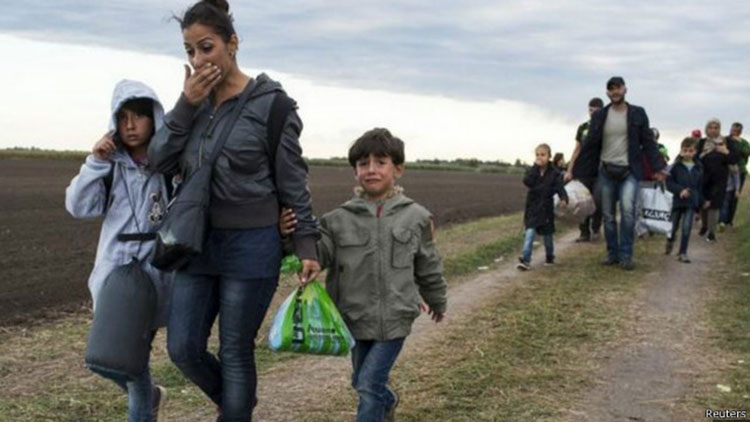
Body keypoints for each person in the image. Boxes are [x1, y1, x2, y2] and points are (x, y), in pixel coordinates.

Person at [147, 1, 320, 420]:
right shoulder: (192, 105)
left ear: (233, 43)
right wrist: (185, 104)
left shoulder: (273, 106)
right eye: (190, 51)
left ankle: (235, 410)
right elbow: (158, 159)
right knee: (183, 347)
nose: (198, 60)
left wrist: (306, 243)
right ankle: (238, 405)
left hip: (252, 245)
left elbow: (292, 180)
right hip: (195, 243)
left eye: (206, 47)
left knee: (236, 350)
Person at [309, 128, 446, 422]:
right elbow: (318, 255)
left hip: (396, 318)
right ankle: (389, 400)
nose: (371, 169)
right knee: (361, 381)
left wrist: (437, 300)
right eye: (363, 164)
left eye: (380, 162)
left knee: (369, 384)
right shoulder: (337, 220)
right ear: (355, 171)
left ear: (398, 169)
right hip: (354, 317)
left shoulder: (417, 217)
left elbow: (428, 264)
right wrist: (291, 236)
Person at [65, 79, 171, 422]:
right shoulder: (109, 165)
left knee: (133, 363)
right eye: (123, 117)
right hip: (113, 279)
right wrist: (95, 162)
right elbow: (78, 206)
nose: (130, 125)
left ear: (154, 118)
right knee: (104, 359)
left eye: (139, 116)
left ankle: (144, 404)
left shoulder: (168, 165)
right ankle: (151, 396)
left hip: (153, 278)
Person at [571, 76, 667, 270]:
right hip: (606, 171)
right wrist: (574, 169)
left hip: (629, 171)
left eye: (618, 88)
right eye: (611, 89)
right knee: (608, 216)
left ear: (625, 89)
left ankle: (626, 255)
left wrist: (659, 167)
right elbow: (589, 145)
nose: (615, 92)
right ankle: (612, 254)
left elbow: (648, 142)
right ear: (607, 93)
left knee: (628, 213)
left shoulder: (638, 113)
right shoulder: (600, 116)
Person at [517, 144, 569, 270]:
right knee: (529, 232)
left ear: (549, 156)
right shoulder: (532, 171)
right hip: (533, 207)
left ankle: (550, 256)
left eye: (543, 155)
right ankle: (526, 259)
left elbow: (560, 188)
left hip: (546, 209)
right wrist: (535, 167)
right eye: (537, 155)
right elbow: (527, 182)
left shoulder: (555, 173)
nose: (540, 157)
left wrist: (564, 198)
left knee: (547, 236)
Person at [565, 97, 604, 242]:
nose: (593, 113)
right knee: (582, 202)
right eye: (590, 110)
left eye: (596, 110)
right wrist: (570, 169)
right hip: (582, 169)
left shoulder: (606, 127)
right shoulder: (583, 128)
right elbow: (577, 149)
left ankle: (596, 227)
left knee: (598, 201)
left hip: (600, 170)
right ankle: (584, 232)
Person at [696, 118, 737, 243]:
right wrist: (703, 155)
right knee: (704, 204)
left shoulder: (726, 142)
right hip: (704, 178)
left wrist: (726, 151)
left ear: (719, 129)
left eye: (716, 128)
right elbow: (695, 158)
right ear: (706, 129)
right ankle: (704, 225)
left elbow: (734, 159)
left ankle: (711, 233)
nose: (713, 130)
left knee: (715, 205)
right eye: (711, 127)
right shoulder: (702, 142)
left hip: (720, 179)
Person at [665, 137, 703, 263]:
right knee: (673, 226)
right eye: (685, 150)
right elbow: (669, 183)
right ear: (681, 150)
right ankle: (670, 241)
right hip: (677, 201)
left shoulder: (698, 167)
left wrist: (700, 203)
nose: (687, 153)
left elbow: (700, 186)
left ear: (695, 152)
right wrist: (680, 190)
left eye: (690, 151)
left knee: (686, 227)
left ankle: (683, 252)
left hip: (691, 202)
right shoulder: (675, 167)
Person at [723, 122, 750, 226]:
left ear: (740, 132)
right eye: (733, 130)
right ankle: (722, 219)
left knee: (735, 196)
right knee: (724, 195)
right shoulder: (725, 140)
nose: (734, 132)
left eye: (737, 131)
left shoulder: (744, 143)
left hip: (740, 170)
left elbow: (746, 153)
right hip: (726, 170)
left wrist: (737, 145)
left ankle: (729, 221)